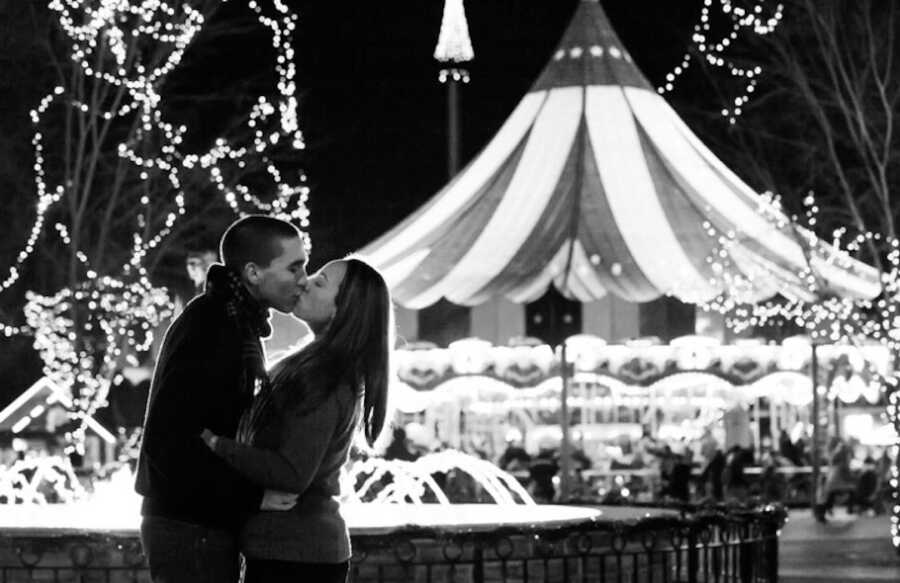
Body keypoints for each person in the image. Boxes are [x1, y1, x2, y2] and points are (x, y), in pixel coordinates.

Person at [135, 215, 309, 583]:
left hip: (195, 521)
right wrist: (249, 496)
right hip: (189, 525)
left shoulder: (231, 320)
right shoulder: (215, 327)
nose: (303, 280)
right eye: (294, 268)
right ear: (253, 272)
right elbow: (171, 440)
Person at [202, 257, 393, 583]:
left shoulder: (327, 378)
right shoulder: (314, 366)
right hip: (289, 550)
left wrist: (217, 444)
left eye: (320, 282)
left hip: (296, 555)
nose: (305, 281)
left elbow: (292, 473)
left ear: (341, 310)